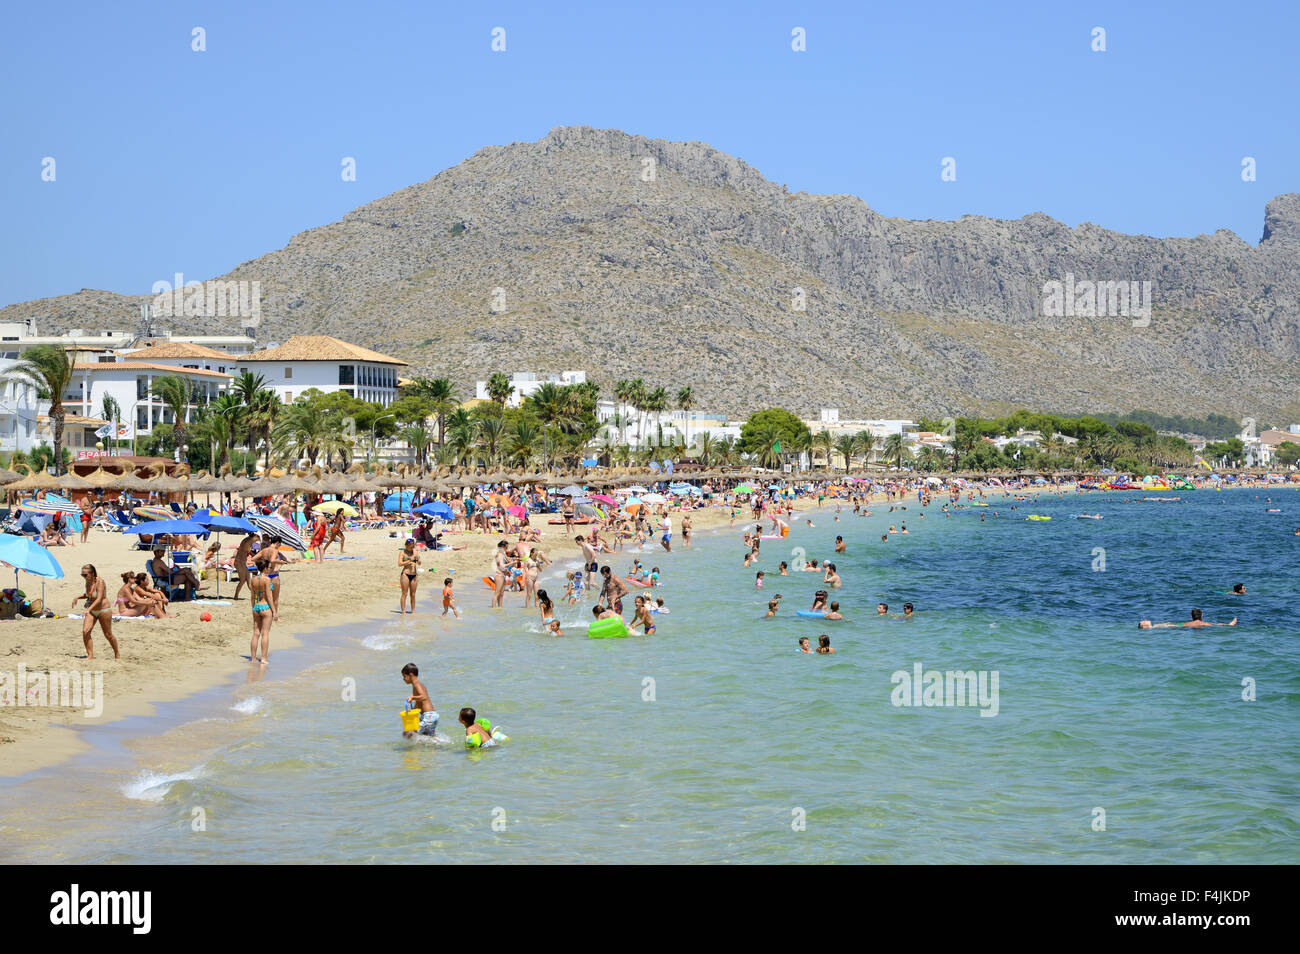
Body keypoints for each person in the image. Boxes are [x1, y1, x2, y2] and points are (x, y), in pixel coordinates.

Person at [73, 565, 119, 660]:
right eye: (82, 575)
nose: (84, 577)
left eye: (85, 575)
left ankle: (117, 653)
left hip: (103, 610)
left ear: (92, 573)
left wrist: (88, 609)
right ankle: (90, 655)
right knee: (85, 631)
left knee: (108, 634)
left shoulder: (100, 581)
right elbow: (89, 594)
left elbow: (99, 598)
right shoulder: (87, 582)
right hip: (92, 611)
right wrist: (78, 597)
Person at [401, 663, 438, 738]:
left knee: (410, 733)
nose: (403, 679)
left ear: (410, 675)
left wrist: (412, 697)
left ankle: (412, 748)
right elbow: (420, 701)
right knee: (429, 737)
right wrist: (414, 709)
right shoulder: (418, 684)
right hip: (431, 716)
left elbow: (423, 697)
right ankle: (439, 745)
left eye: (404, 676)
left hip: (428, 716)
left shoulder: (416, 684)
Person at [249, 557, 274, 663]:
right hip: (265, 607)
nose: (270, 569)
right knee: (265, 633)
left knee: (255, 633)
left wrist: (253, 607)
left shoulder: (253, 579)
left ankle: (253, 658)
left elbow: (252, 596)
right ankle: (263, 658)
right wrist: (275, 611)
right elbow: (269, 596)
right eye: (269, 567)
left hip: (256, 607)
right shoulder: (267, 580)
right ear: (265, 568)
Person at [232, 534, 259, 600]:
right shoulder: (248, 542)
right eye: (257, 539)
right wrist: (256, 557)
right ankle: (236, 596)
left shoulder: (247, 540)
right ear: (254, 537)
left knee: (248, 580)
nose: (256, 541)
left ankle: (256, 596)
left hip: (241, 562)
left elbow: (248, 552)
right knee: (242, 580)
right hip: (239, 562)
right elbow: (248, 552)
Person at [398, 539, 421, 614]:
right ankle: (403, 612)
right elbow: (399, 564)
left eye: (412, 547)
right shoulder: (402, 552)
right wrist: (409, 561)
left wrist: (418, 560)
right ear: (406, 546)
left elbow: (419, 563)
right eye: (410, 547)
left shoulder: (415, 552)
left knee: (413, 594)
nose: (411, 549)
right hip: (405, 574)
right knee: (404, 593)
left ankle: (413, 611)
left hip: (414, 575)